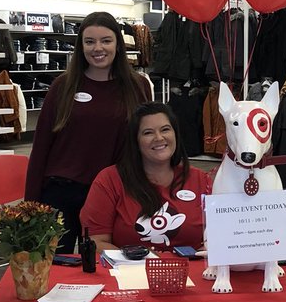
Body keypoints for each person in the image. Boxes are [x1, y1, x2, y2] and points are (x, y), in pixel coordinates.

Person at [24, 11, 151, 252]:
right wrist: (30, 202)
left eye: (106, 40)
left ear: (118, 44)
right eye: (89, 41)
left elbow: (145, 142)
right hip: (61, 193)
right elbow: (41, 146)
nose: (97, 48)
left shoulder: (138, 86)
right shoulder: (63, 86)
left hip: (113, 192)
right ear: (80, 45)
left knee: (102, 266)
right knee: (52, 264)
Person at [81, 102, 212, 250]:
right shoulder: (109, 180)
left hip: (190, 271)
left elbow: (220, 236)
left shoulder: (201, 180)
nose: (159, 138)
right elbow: (96, 242)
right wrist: (134, 265)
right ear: (135, 141)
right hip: (128, 271)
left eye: (165, 130)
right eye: (148, 132)